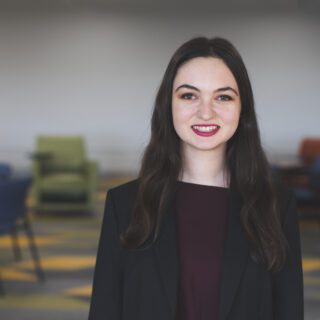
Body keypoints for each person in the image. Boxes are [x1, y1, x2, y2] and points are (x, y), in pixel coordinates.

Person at [88, 37, 304, 320]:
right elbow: (104, 311)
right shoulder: (124, 204)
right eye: (189, 95)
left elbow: (288, 311)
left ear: (243, 109)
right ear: (168, 106)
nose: (205, 112)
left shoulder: (276, 205)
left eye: (223, 96)